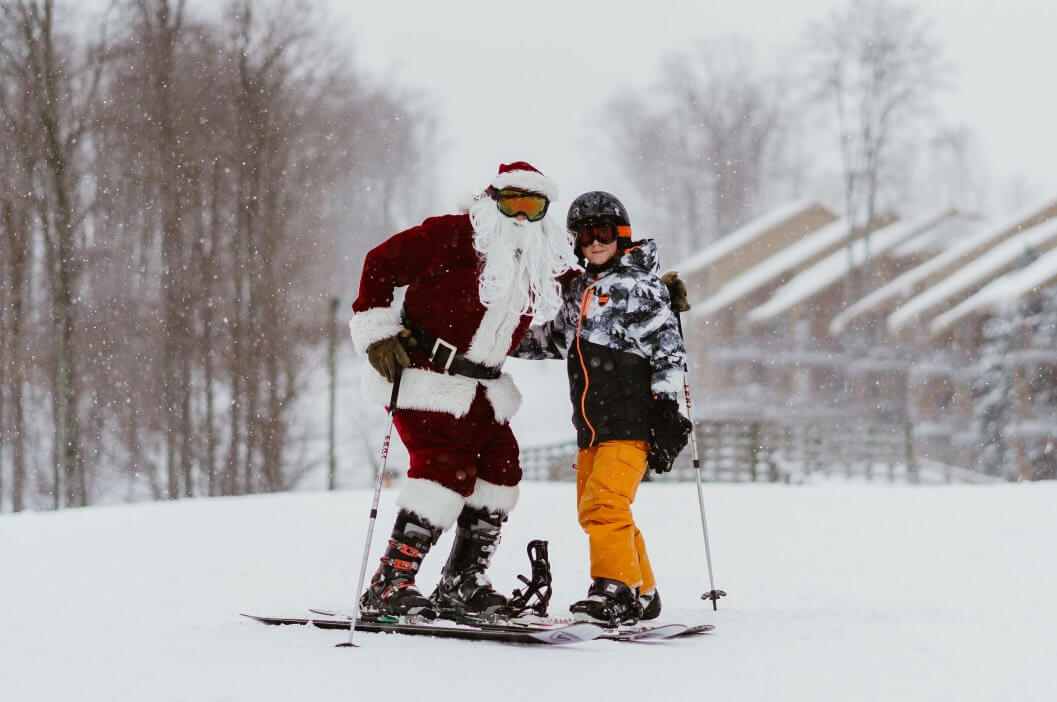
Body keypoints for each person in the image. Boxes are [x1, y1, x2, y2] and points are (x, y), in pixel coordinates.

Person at [348, 162, 577, 618]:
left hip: (483, 389)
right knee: (443, 468)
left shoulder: (540, 255)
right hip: (426, 376)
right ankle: (389, 584)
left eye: (533, 206)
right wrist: (377, 333)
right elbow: (380, 262)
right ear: (491, 199)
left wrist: (649, 288)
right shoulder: (451, 235)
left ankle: (462, 582)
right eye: (512, 202)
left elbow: (590, 278)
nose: (520, 217)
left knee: (501, 468)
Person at [514, 191, 693, 626]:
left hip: (631, 422)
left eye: (603, 233)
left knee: (604, 506)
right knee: (598, 510)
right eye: (585, 235)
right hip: (591, 428)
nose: (594, 243)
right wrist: (498, 338)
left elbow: (669, 352)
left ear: (621, 235)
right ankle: (642, 589)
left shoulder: (639, 289)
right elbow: (553, 340)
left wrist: (669, 409)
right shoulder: (579, 291)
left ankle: (614, 589)